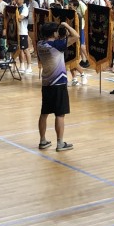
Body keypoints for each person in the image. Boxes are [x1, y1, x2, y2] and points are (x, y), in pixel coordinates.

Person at [36, 19, 78, 152]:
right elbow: (76, 36)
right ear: (54, 33)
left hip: (46, 83)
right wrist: (66, 25)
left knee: (44, 113)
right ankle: (60, 143)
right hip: (59, 83)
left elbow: (56, 41)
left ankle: (42, 141)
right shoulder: (57, 45)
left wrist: (60, 35)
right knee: (60, 114)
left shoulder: (40, 44)